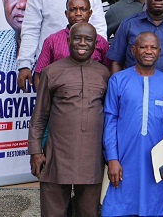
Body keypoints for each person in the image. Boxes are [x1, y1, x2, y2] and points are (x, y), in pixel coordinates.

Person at [28, 22, 110, 217]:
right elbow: (39, 116)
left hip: (92, 156)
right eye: (77, 38)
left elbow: (110, 118)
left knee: (88, 212)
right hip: (57, 155)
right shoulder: (52, 72)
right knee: (53, 211)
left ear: (95, 44)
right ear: (68, 41)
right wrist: (35, 151)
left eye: (88, 39)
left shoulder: (104, 74)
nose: (82, 43)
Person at [102, 32, 163, 217]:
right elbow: (110, 121)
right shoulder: (118, 80)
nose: (148, 51)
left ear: (159, 52)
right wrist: (112, 158)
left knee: (155, 208)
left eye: (153, 47)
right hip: (124, 160)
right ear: (133, 50)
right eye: (143, 47)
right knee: (119, 207)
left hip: (157, 163)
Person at [17, 0, 106, 92]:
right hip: (51, 64)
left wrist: (95, 57)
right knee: (51, 110)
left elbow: (99, 28)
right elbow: (30, 30)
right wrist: (25, 64)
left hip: (87, 64)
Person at [34, 0, 109, 87]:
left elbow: (108, 73)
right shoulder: (52, 41)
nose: (78, 13)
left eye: (83, 9)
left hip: (92, 97)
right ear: (66, 14)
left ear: (90, 13)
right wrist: (44, 99)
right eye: (73, 10)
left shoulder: (100, 41)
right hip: (61, 97)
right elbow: (39, 75)